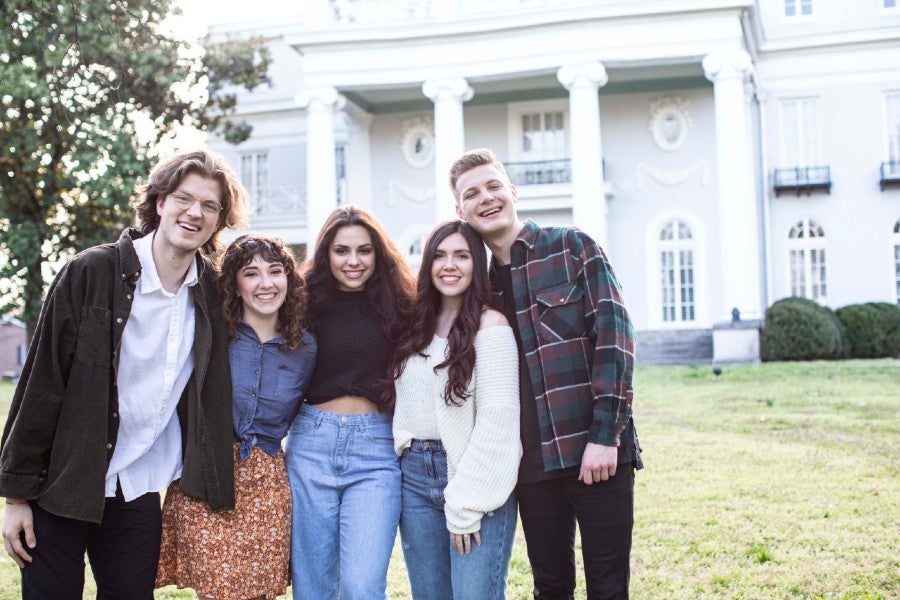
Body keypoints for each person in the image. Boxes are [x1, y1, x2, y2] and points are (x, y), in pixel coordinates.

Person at [0, 149, 248, 599]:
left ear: (219, 220)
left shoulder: (213, 293)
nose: (194, 212)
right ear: (159, 202)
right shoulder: (91, 272)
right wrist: (16, 497)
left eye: (209, 206)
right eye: (183, 198)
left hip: (136, 487)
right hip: (63, 483)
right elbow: (41, 383)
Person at [449, 148, 642, 600]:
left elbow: (615, 338)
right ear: (460, 210)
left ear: (512, 191)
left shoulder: (572, 246)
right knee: (550, 587)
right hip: (531, 465)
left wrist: (605, 436)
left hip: (594, 449)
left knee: (608, 588)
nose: (486, 198)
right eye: (472, 194)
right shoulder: (477, 286)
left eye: (493, 186)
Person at [155, 234, 317, 599]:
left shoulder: (305, 348)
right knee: (214, 590)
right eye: (251, 273)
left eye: (275, 272)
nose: (265, 283)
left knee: (260, 592)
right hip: (209, 473)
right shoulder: (209, 333)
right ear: (234, 282)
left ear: (288, 280)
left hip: (267, 485)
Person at [285, 205, 416, 600]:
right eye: (342, 250)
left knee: (362, 586)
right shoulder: (301, 304)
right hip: (310, 445)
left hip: (375, 452)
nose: (354, 261)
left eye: (364, 250)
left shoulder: (402, 306)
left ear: (379, 253)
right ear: (326, 253)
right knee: (313, 587)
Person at [391, 220, 522, 600]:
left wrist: (465, 503)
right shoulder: (414, 326)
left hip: (473, 475)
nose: (449, 265)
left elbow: (499, 421)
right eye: (440, 256)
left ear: (476, 266)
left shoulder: (490, 325)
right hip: (414, 479)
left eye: (461, 256)